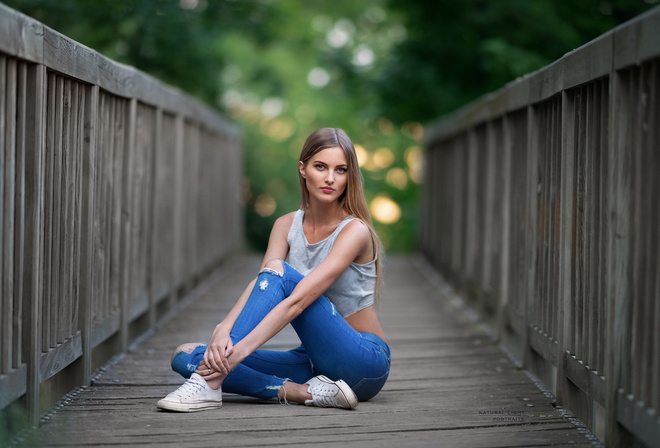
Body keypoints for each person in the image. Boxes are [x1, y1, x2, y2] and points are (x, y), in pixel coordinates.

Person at [156, 127, 390, 412]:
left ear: (348, 177)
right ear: (303, 169)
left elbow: (297, 301)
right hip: (314, 364)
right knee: (186, 355)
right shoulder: (285, 225)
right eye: (320, 167)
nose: (330, 178)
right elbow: (264, 281)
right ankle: (298, 392)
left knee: (278, 278)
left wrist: (235, 355)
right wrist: (223, 328)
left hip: (363, 362)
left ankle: (210, 383)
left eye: (340, 170)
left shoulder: (354, 230)